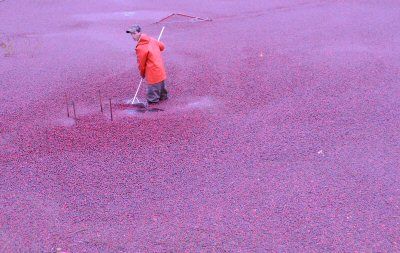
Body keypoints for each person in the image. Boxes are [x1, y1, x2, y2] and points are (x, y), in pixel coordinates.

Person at [126, 25, 168, 104]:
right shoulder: (151, 39)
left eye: (134, 33)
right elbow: (162, 47)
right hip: (160, 70)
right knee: (163, 96)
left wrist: (142, 73)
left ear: (139, 33)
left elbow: (141, 64)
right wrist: (155, 45)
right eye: (131, 34)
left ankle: (155, 115)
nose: (132, 36)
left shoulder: (140, 47)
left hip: (152, 73)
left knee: (152, 100)